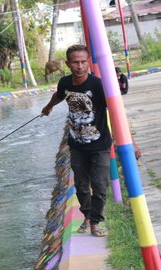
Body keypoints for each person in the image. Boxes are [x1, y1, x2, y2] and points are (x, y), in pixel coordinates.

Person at [41, 44, 112, 237]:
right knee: (81, 185)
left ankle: (95, 222)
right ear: (68, 64)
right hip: (77, 144)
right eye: (75, 62)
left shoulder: (97, 85)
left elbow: (115, 110)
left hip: (100, 144)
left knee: (99, 185)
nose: (80, 66)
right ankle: (87, 216)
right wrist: (48, 107)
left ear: (88, 62)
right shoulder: (65, 82)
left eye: (83, 61)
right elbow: (59, 95)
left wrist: (131, 142)